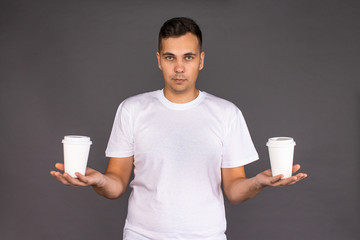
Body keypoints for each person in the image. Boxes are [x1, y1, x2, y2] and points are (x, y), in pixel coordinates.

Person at [50, 17, 307, 240]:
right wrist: (98, 180)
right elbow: (116, 183)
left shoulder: (226, 113)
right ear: (159, 60)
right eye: (170, 57)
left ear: (201, 60)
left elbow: (234, 190)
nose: (179, 68)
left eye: (189, 57)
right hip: (142, 235)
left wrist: (258, 182)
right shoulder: (132, 109)